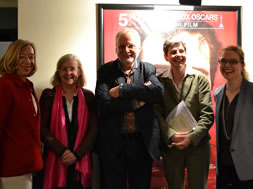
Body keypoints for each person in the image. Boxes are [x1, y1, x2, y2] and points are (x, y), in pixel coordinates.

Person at [95, 28, 163, 189]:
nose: (126, 50)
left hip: (141, 143)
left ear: (138, 48)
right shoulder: (105, 71)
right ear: (116, 48)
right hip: (113, 144)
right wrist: (136, 103)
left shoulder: (148, 69)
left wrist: (121, 90)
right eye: (121, 46)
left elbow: (157, 92)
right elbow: (103, 103)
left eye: (131, 46)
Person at [154, 40, 214, 189]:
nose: (178, 55)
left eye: (181, 51)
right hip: (172, 146)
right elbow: (157, 113)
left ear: (186, 54)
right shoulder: (159, 81)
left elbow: (207, 114)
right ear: (166, 56)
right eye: (173, 52)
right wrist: (171, 134)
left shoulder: (200, 79)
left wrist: (191, 138)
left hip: (198, 146)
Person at [39, 54, 97, 189]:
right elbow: (42, 129)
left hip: (81, 162)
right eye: (64, 69)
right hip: (55, 159)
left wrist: (76, 155)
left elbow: (93, 129)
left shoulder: (88, 96)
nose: (68, 73)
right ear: (58, 72)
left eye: (72, 69)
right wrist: (63, 152)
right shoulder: (48, 95)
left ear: (79, 72)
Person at [0, 39, 43, 189]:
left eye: (31, 57)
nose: (28, 61)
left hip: (28, 164)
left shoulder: (28, 86)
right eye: (21, 57)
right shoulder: (5, 85)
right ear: (12, 58)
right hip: (12, 167)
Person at [214, 46, 253, 189]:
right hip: (224, 169)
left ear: (242, 65)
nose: (227, 66)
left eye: (233, 61)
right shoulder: (218, 93)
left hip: (248, 170)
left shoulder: (251, 92)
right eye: (223, 61)